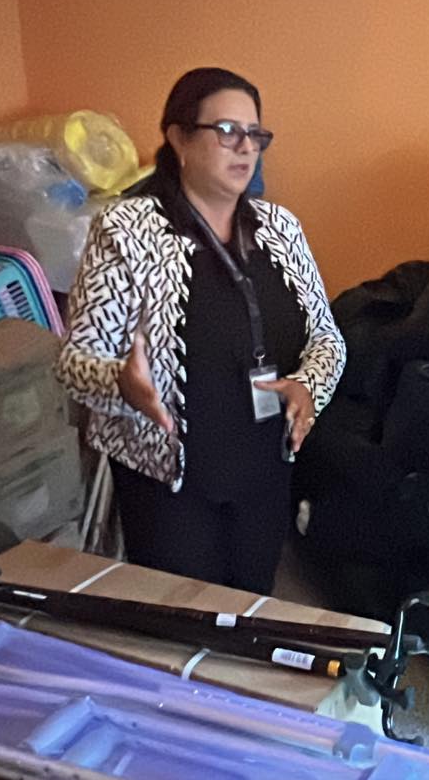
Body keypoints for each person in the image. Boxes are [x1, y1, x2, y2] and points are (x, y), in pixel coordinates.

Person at [56, 67, 345, 595]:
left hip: (264, 469)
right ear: (179, 138)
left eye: (255, 134)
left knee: (253, 603)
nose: (246, 148)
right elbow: (74, 364)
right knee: (180, 617)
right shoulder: (126, 230)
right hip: (170, 481)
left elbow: (328, 339)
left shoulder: (281, 228)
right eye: (227, 131)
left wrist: (310, 387)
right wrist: (121, 383)